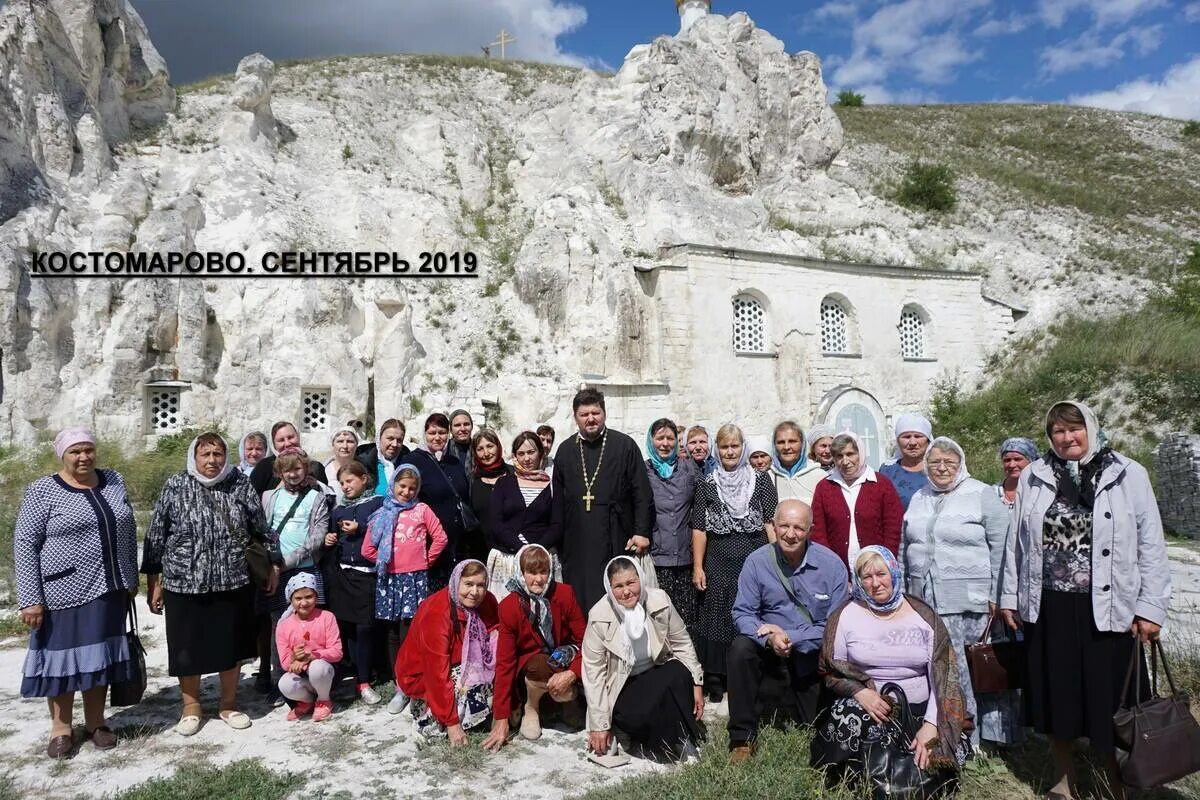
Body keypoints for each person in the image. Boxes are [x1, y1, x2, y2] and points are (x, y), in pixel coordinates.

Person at [1000, 401, 1170, 800]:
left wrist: (1151, 607)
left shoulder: (1127, 474)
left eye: (1074, 429)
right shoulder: (1035, 476)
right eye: (1057, 430)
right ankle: (1064, 779)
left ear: (1091, 429)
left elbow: (1152, 543)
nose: (1066, 437)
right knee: (1057, 694)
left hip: (1109, 607)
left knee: (1112, 698)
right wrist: (1010, 596)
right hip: (1050, 605)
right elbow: (1016, 545)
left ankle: (1118, 781)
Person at [15, 428, 140, 758]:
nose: (84, 457)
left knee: (98, 658)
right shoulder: (43, 491)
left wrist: (131, 576)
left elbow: (127, 530)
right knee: (61, 661)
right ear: (63, 455)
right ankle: (61, 729)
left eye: (88, 450)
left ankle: (96, 723)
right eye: (75, 452)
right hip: (62, 591)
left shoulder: (113, 480)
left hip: (110, 589)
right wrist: (30, 598)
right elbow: (26, 544)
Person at [144, 433, 279, 736]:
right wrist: (154, 581)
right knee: (186, 647)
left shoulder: (239, 484)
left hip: (231, 579)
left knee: (229, 646)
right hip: (183, 582)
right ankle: (191, 707)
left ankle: (228, 703)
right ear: (194, 456)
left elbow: (260, 528)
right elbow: (156, 534)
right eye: (205, 455)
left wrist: (273, 563)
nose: (211, 461)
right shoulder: (176, 485)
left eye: (217, 454)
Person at [815, 546, 972, 784]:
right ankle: (864, 774)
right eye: (867, 577)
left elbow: (944, 676)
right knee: (845, 718)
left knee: (937, 751)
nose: (875, 583)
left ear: (894, 574)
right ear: (858, 581)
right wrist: (860, 692)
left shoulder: (924, 615)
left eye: (881, 574)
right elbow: (831, 670)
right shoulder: (845, 616)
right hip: (872, 709)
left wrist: (931, 725)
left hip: (921, 710)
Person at [901, 437, 1012, 746]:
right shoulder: (919, 497)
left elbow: (1002, 547)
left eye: (949, 462)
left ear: (960, 464)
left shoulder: (981, 493)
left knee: (977, 669)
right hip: (926, 599)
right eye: (935, 462)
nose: (941, 468)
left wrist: (999, 595)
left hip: (973, 603)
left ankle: (982, 737)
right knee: (947, 670)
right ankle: (957, 732)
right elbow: (904, 545)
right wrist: (905, 592)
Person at [727, 500, 848, 763]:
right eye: (784, 526)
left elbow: (836, 626)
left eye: (798, 528)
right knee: (740, 649)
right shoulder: (757, 562)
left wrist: (792, 636)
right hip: (769, 646)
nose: (790, 534)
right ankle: (742, 738)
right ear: (773, 526)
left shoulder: (832, 566)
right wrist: (769, 637)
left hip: (812, 650)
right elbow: (742, 612)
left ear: (811, 530)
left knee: (815, 724)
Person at [583, 556, 705, 762]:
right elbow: (593, 673)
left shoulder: (659, 599)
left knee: (677, 672)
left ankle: (681, 740)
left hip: (655, 671)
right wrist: (600, 725)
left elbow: (681, 642)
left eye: (631, 582)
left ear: (641, 578)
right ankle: (649, 738)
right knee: (653, 705)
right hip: (622, 687)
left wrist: (697, 683)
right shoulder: (599, 616)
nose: (626, 591)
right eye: (618, 586)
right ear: (609, 588)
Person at [691, 423, 778, 702]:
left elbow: (769, 521)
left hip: (753, 555)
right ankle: (717, 677)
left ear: (743, 448)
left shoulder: (760, 480)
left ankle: (749, 673)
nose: (730, 451)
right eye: (725, 446)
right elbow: (700, 528)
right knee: (717, 614)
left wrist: (777, 561)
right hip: (717, 557)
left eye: (735, 446)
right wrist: (698, 566)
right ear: (717, 449)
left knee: (750, 610)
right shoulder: (707, 483)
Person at [551, 387, 654, 614]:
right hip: (576, 540)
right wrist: (556, 538)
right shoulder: (565, 450)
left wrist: (642, 531)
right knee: (579, 594)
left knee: (619, 593)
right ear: (575, 417)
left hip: (616, 534)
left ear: (604, 413)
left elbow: (641, 492)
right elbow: (557, 499)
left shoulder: (624, 445)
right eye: (584, 414)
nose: (590, 419)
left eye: (595, 413)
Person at [362, 464, 449, 714]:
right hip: (390, 581)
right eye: (402, 486)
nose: (407, 492)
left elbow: (440, 537)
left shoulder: (422, 510)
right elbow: (367, 549)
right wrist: (384, 561)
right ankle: (400, 685)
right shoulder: (382, 514)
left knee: (411, 631)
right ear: (393, 486)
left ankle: (415, 682)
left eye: (412, 488)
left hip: (415, 581)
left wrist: (425, 561)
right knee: (392, 635)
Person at [484, 544, 587, 750]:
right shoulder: (509, 607)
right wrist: (501, 717)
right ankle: (532, 707)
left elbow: (585, 640)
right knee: (539, 663)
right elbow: (505, 662)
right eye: (531, 572)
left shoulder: (564, 594)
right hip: (532, 668)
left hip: (564, 660)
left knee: (564, 678)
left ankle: (567, 699)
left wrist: (572, 674)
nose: (538, 579)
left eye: (543, 572)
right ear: (521, 573)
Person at [395, 559, 504, 746]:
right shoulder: (437, 613)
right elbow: (436, 672)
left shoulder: (487, 601)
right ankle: (445, 717)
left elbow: (496, 635)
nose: (475, 592)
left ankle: (478, 713)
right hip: (423, 675)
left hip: (460, 662)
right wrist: (452, 724)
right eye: (468, 584)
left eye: (480, 585)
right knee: (463, 682)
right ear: (455, 582)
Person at [262, 451, 331, 699]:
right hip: (275, 572)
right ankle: (281, 680)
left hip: (305, 567)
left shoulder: (316, 498)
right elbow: (264, 531)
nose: (293, 474)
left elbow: (317, 536)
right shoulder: (270, 497)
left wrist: (286, 562)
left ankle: (313, 678)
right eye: (287, 470)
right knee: (279, 627)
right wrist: (273, 562)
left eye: (298, 469)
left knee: (310, 624)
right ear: (280, 473)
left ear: (306, 470)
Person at [322, 460, 385, 705]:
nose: (345, 487)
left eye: (350, 481)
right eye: (342, 483)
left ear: (364, 479)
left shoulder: (377, 504)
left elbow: (384, 530)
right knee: (346, 627)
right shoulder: (338, 510)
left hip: (367, 574)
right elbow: (332, 536)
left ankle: (365, 679)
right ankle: (352, 677)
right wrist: (329, 538)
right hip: (342, 575)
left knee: (365, 628)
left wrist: (361, 529)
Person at [810, 432, 903, 572]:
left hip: (877, 571)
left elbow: (893, 529)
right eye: (839, 456)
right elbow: (818, 532)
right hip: (836, 570)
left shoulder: (881, 485)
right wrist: (831, 566)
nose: (845, 461)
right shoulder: (824, 487)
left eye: (850, 454)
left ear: (861, 452)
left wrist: (884, 563)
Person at [399, 413, 471, 591]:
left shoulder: (453, 462)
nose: (437, 437)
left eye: (442, 432)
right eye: (432, 433)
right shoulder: (413, 461)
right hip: (430, 543)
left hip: (457, 542)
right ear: (424, 434)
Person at [644, 418, 700, 643]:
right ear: (651, 441)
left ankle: (692, 671)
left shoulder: (689, 468)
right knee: (660, 618)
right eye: (660, 438)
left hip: (686, 556)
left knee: (688, 619)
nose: (665, 443)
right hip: (658, 557)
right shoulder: (643, 469)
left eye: (670, 438)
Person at [487, 431, 560, 599]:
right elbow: (497, 523)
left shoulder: (552, 485)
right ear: (515, 456)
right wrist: (522, 549)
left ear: (540, 453)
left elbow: (557, 524)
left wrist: (535, 551)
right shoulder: (504, 483)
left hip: (541, 560)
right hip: (508, 558)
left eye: (531, 452)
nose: (526, 458)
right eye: (521, 453)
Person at [276, 573, 344, 722]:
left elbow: (337, 652)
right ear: (290, 599)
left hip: (326, 675)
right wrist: (294, 659)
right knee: (285, 684)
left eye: (309, 597)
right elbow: (285, 662)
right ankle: (307, 701)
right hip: (303, 676)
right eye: (298, 598)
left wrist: (312, 656)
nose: (304, 603)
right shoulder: (283, 626)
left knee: (317, 667)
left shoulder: (327, 617)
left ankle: (324, 700)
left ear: (316, 597)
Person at [468, 429, 511, 564]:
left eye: (490, 446)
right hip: (484, 554)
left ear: (498, 446)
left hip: (513, 551)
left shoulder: (513, 474)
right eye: (480, 449)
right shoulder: (472, 480)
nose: (486, 453)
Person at [249, 421, 330, 494]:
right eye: (281, 440)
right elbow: (252, 499)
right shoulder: (264, 467)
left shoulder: (316, 467)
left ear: (298, 437)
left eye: (291, 437)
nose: (287, 443)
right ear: (273, 444)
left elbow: (327, 499)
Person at [879, 413, 933, 510]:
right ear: (898, 441)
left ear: (928, 440)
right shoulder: (887, 471)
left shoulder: (938, 468)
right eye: (906, 437)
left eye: (918, 436)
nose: (912, 442)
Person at [770, 420, 826, 504]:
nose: (786, 447)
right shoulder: (768, 478)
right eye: (781, 442)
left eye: (792, 441)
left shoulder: (820, 477)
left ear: (802, 444)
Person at [355, 418, 410, 497]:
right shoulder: (364, 464)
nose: (394, 444)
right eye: (390, 438)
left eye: (399, 440)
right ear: (379, 438)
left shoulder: (408, 463)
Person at [995, 437, 1038, 511]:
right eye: (1007, 460)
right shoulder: (992, 493)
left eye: (1017, 459)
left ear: (1031, 460)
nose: (1012, 465)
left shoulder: (1039, 492)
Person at [323, 426, 362, 504]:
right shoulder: (324, 471)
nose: (345, 446)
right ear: (333, 444)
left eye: (350, 441)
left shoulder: (364, 469)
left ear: (356, 445)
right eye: (340, 441)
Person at [448, 409, 476, 477]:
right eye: (457, 425)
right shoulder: (444, 450)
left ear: (472, 426)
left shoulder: (479, 448)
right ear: (451, 429)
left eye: (466, 424)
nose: (463, 429)